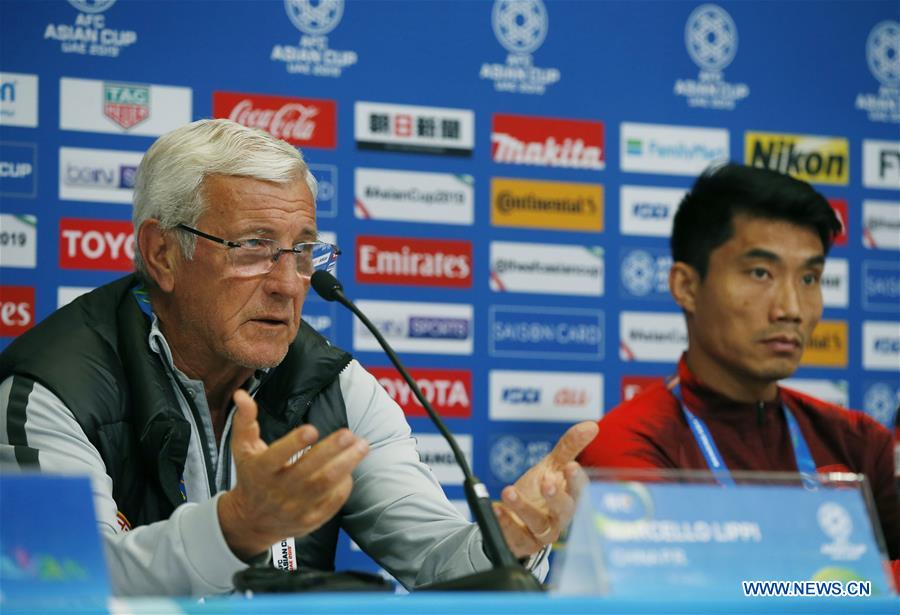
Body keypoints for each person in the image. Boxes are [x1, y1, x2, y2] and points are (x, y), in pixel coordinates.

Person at [0, 119, 598, 596]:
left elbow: (439, 562)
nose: (289, 284)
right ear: (162, 253)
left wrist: (512, 540)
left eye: (303, 251)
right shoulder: (53, 391)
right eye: (254, 247)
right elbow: (66, 584)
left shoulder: (334, 387)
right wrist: (237, 527)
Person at [580, 163, 899, 562]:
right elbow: (676, 594)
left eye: (809, 278)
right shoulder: (628, 443)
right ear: (687, 286)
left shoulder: (858, 440)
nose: (791, 309)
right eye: (761, 273)